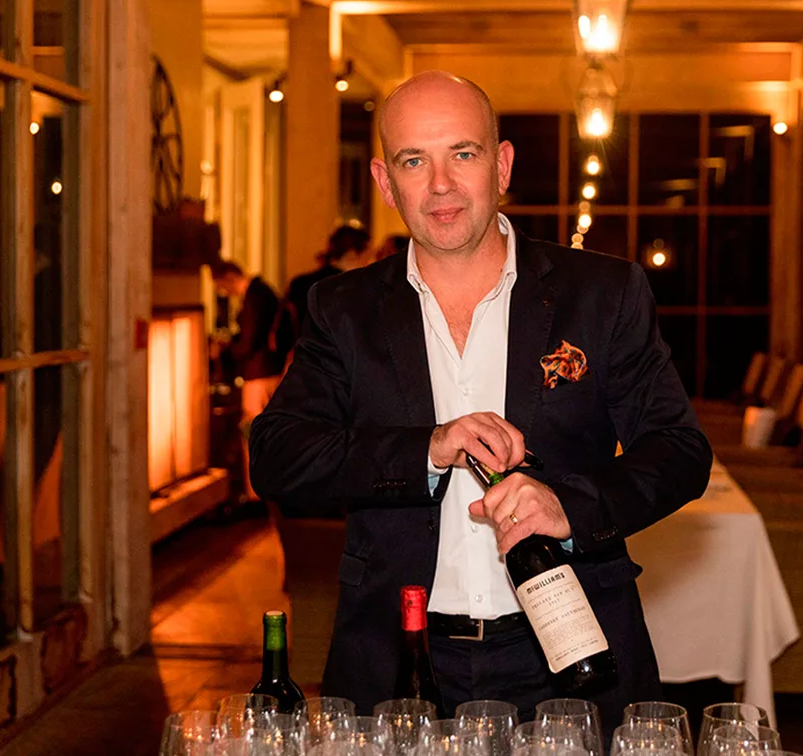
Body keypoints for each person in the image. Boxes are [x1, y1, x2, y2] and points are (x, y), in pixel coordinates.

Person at [249, 72, 712, 731]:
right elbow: (276, 455)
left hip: (572, 649)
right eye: (414, 160)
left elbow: (680, 451)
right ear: (385, 182)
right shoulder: (343, 308)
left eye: (462, 154)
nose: (440, 184)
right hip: (398, 657)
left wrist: (570, 506)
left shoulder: (602, 293)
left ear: (501, 165)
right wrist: (427, 448)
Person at [211, 260, 285, 500]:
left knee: (253, 431)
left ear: (229, 277)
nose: (224, 293)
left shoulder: (254, 298)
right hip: (270, 369)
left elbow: (249, 341)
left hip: (259, 373)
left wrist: (226, 350)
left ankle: (258, 494)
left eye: (222, 287)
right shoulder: (263, 293)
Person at [284, 225, 372, 339]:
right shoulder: (351, 288)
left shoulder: (299, 283)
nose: (371, 263)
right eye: (368, 257)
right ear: (352, 254)